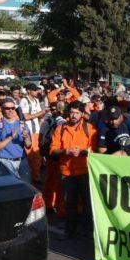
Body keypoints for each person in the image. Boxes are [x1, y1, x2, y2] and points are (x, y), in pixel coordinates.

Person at [49, 101, 98, 239]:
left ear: (82, 114)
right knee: (69, 203)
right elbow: (53, 150)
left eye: (76, 113)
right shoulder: (61, 128)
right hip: (67, 172)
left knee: (88, 203)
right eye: (71, 112)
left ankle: (89, 230)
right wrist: (66, 151)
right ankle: (69, 230)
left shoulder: (90, 128)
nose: (73, 115)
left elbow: (95, 151)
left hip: (85, 171)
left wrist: (83, 152)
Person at [0, 98, 32, 182]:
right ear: (2, 109)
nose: (10, 110)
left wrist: (26, 137)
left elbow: (28, 145)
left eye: (13, 108)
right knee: (10, 190)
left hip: (21, 161)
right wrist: (11, 137)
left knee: (27, 188)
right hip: (4, 161)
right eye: (7, 108)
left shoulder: (22, 124)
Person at [20, 83, 47, 183]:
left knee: (37, 155)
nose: (37, 91)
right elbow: (26, 116)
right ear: (28, 91)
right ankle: (32, 177)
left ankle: (36, 176)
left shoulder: (36, 100)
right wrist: (41, 113)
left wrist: (42, 116)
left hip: (36, 130)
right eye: (34, 90)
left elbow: (39, 116)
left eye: (37, 90)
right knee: (30, 155)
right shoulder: (24, 101)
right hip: (28, 131)